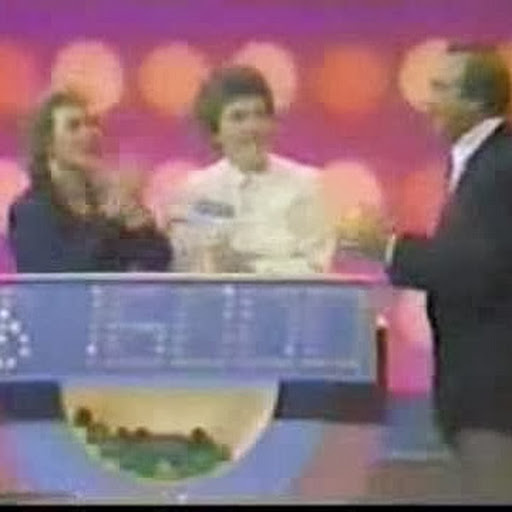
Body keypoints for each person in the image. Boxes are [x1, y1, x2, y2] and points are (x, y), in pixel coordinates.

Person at [339, 44, 512, 502]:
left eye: (440, 88)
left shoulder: (501, 167)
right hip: (478, 387)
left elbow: (478, 268)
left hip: (494, 391)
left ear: (476, 100)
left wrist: (388, 247)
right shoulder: (480, 163)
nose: (426, 101)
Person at [168, 65, 334, 274]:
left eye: (260, 114)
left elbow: (317, 266)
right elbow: (186, 267)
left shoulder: (308, 185)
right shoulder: (195, 191)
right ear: (215, 133)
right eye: (238, 117)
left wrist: (248, 268)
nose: (253, 127)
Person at [8, 91, 172, 273]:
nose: (89, 133)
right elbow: (66, 269)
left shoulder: (106, 203)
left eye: (92, 123)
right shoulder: (30, 209)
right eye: (74, 126)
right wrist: (109, 220)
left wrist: (142, 226)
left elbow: (158, 261)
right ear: (48, 144)